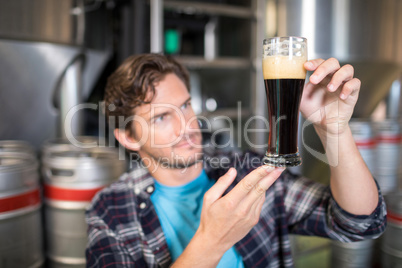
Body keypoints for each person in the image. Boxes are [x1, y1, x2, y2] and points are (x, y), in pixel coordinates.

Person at [85, 53, 386, 268]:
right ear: (128, 137)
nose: (187, 125)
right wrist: (212, 241)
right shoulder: (111, 212)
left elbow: (359, 224)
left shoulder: (245, 171)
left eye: (186, 105)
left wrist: (333, 130)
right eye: (162, 117)